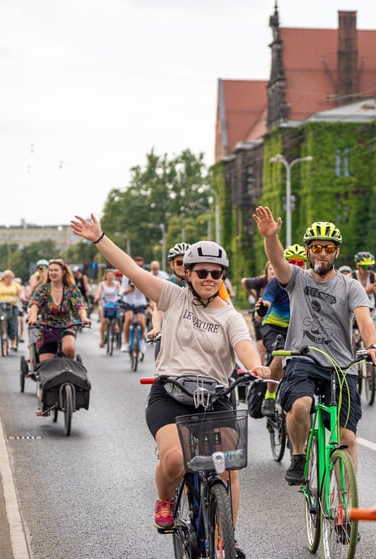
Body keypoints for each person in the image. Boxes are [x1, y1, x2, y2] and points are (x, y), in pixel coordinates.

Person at [70, 216, 268, 554]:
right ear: (187, 273)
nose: (209, 279)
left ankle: (226, 538)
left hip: (216, 397)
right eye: (201, 272)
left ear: (222, 277)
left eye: (216, 273)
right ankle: (164, 500)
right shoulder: (172, 298)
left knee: (229, 470)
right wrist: (99, 237)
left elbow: (244, 345)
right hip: (171, 395)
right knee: (175, 460)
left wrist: (256, 366)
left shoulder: (230, 316)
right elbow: (131, 270)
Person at [253, 207, 376, 484]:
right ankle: (299, 456)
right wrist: (270, 238)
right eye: (316, 247)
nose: (322, 252)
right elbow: (277, 261)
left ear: (336, 253)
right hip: (304, 360)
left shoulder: (350, 287)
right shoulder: (297, 279)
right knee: (300, 405)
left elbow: (364, 319)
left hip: (341, 366)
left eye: (328, 248)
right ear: (308, 252)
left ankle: (345, 509)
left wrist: (372, 344)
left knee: (347, 437)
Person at [254, 244, 306, 416]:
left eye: (301, 263)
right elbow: (265, 304)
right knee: (282, 351)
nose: (297, 267)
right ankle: (269, 395)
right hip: (275, 327)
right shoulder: (275, 282)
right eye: (292, 263)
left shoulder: (310, 282)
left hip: (298, 328)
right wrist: (262, 310)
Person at [26, 259, 91, 362]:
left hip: (66, 325)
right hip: (47, 328)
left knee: (69, 349)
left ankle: (68, 369)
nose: (53, 273)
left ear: (63, 272)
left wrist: (84, 317)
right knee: (45, 364)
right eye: (51, 270)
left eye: (56, 270)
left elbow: (79, 305)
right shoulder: (43, 289)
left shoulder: (71, 289)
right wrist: (33, 317)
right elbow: (35, 304)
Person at [241, 262, 275, 357]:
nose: (273, 271)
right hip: (260, 314)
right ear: (266, 271)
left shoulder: (281, 281)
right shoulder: (261, 281)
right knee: (261, 345)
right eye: (270, 269)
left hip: (274, 316)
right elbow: (244, 281)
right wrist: (254, 295)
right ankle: (259, 368)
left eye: (275, 268)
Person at [119, 256, 149, 353]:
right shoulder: (126, 276)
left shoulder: (146, 275)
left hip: (140, 301)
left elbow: (150, 289)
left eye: (140, 266)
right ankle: (126, 342)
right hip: (129, 301)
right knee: (129, 318)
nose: (139, 268)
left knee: (141, 320)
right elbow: (121, 291)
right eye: (136, 265)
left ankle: (141, 341)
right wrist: (129, 290)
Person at [0, 270, 23, 347]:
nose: (9, 278)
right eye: (7, 276)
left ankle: (13, 341)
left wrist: (22, 298)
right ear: (3, 277)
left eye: (10, 276)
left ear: (13, 277)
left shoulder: (16, 285)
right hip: (1, 304)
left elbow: (20, 294)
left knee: (13, 323)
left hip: (13, 305)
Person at [94, 269, 121, 348]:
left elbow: (120, 292)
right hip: (104, 303)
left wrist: (121, 297)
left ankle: (116, 324)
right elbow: (98, 292)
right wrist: (97, 297)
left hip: (114, 303)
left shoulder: (117, 283)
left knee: (118, 308)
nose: (110, 277)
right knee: (103, 322)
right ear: (105, 276)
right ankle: (102, 340)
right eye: (108, 275)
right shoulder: (102, 284)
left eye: (112, 275)